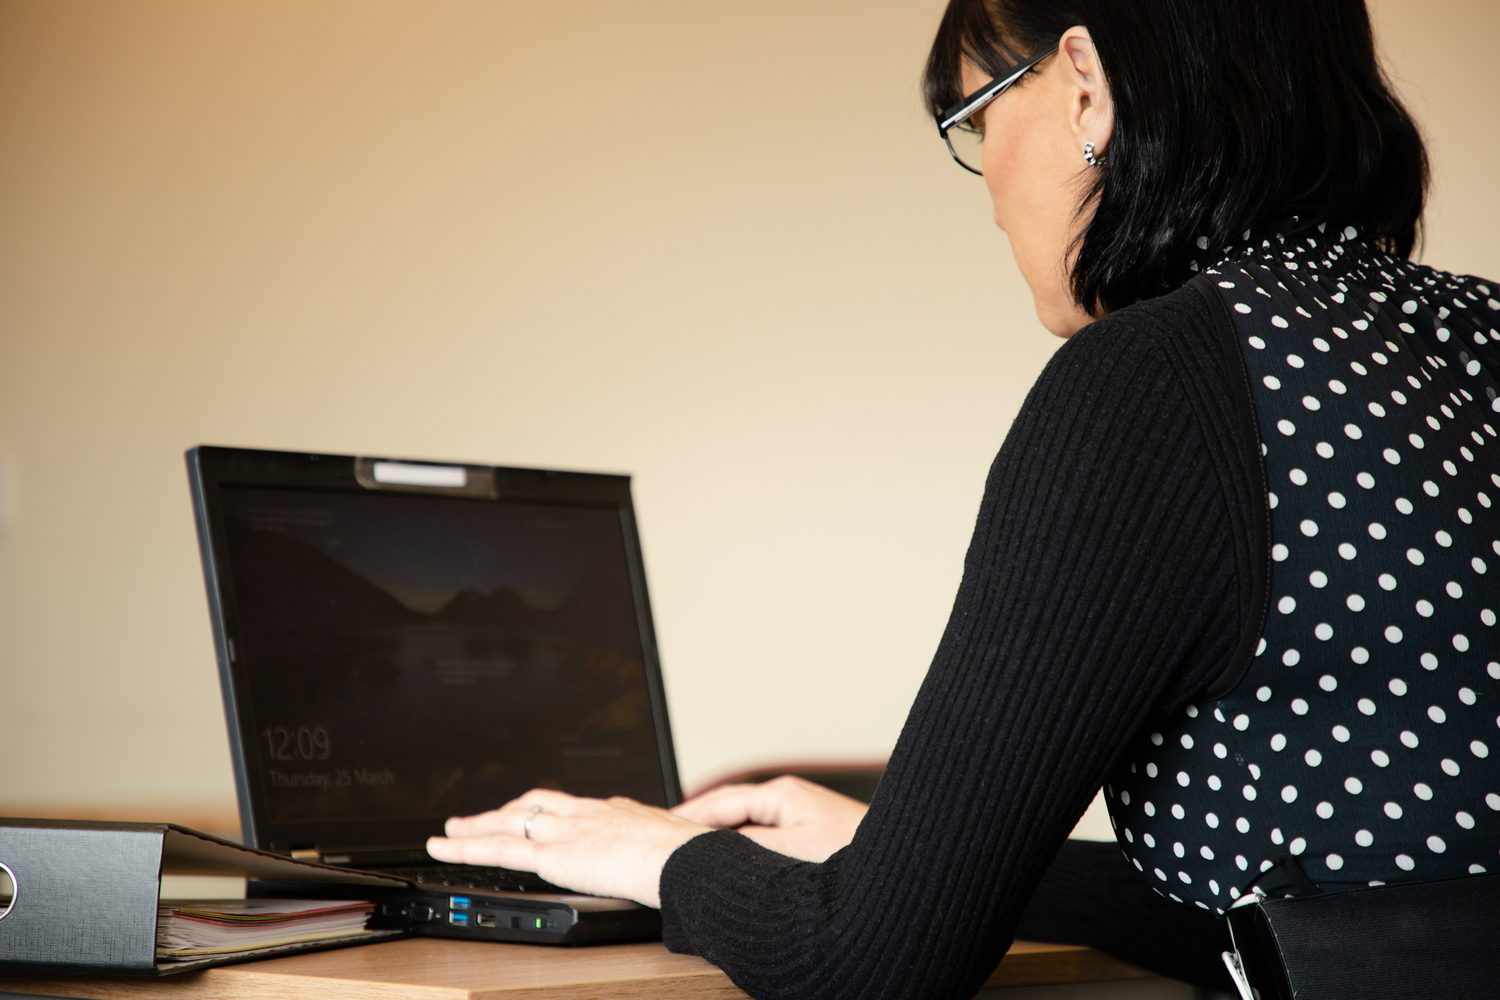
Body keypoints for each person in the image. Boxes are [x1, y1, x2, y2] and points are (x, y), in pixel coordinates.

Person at [428, 1, 1500, 996]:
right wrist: (908, 855)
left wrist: (660, 856)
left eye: (978, 115)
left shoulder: (1154, 383)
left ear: (1087, 87)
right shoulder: (1479, 335)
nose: (986, 177)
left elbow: (867, 965)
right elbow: (1326, 919)